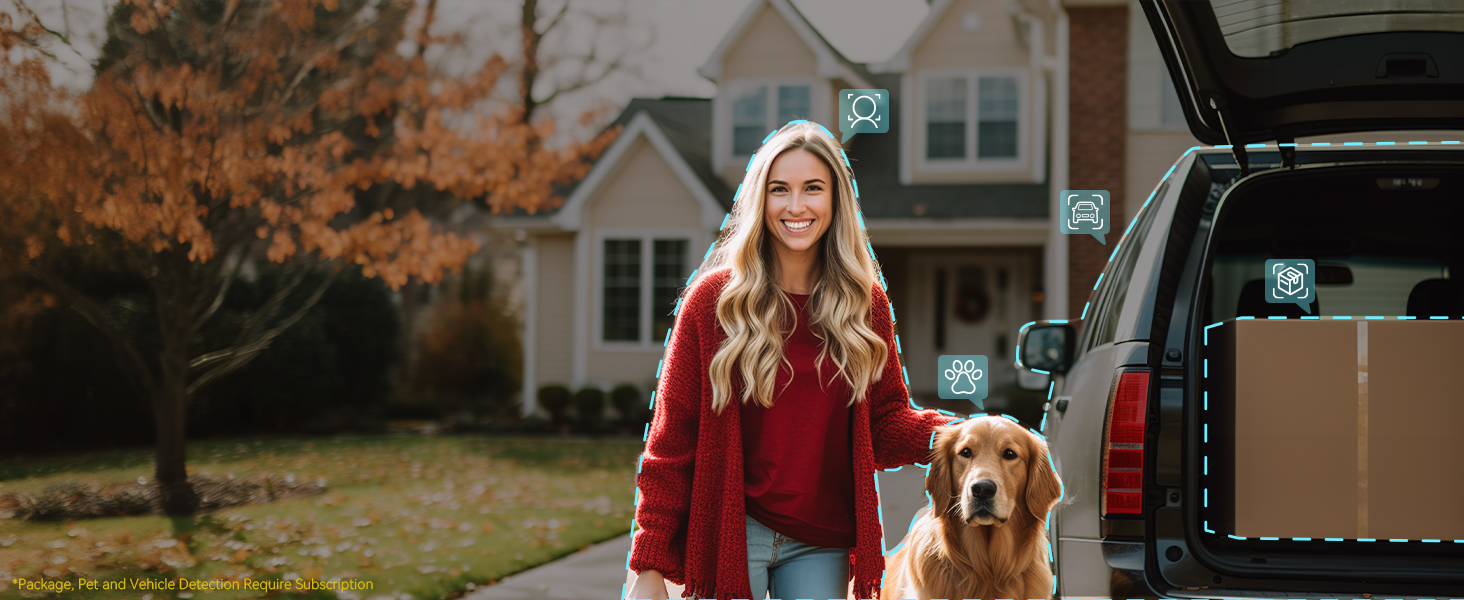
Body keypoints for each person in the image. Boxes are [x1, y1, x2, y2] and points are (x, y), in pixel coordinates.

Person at [625, 121, 957, 600]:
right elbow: (673, 439)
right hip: (731, 532)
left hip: (821, 539)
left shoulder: (865, 305)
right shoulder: (712, 304)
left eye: (812, 189)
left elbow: (883, 424)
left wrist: (961, 437)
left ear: (835, 200)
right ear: (760, 200)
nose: (795, 206)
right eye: (780, 189)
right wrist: (650, 563)